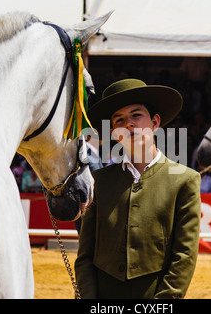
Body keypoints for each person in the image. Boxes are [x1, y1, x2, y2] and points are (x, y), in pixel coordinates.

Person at [75, 78, 201, 299]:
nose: (129, 124)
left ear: (155, 122)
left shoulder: (185, 181)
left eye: (136, 115)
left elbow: (184, 256)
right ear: (114, 131)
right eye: (119, 119)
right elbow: (85, 256)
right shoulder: (98, 182)